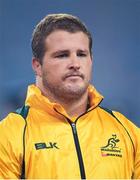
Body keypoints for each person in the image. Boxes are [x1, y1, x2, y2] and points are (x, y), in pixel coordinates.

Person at [0, 13, 140, 179]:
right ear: (37, 66)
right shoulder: (9, 134)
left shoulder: (127, 131)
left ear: (91, 60)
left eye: (81, 54)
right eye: (62, 55)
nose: (75, 64)